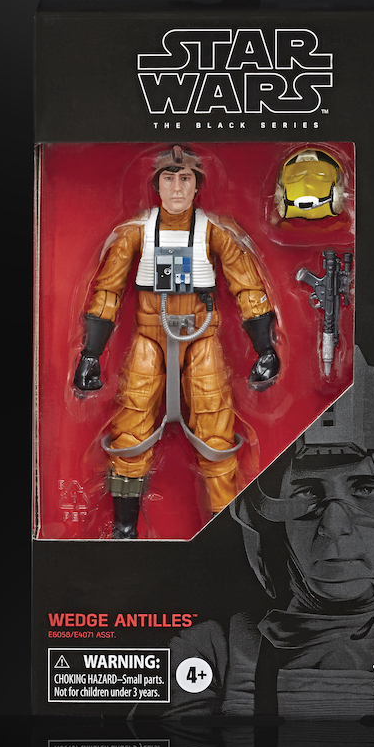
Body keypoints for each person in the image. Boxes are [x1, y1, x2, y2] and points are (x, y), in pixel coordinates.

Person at [158, 347, 374, 717]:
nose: (333, 528)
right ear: (269, 519)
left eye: (367, 489)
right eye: (306, 493)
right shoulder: (211, 653)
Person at [72, 146, 280, 538]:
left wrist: (265, 348)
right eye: (169, 179)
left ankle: (223, 534)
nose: (177, 188)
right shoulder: (135, 233)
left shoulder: (215, 232)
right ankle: (124, 530)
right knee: (130, 435)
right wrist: (91, 354)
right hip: (150, 341)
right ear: (157, 185)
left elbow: (247, 286)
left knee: (216, 439)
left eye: (185, 178)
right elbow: (107, 291)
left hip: (202, 341)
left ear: (197, 185)